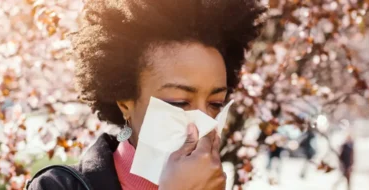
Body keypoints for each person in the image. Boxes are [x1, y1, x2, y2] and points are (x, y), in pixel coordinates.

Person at [26, 0, 265, 189]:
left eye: (215, 103)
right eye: (179, 102)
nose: (201, 122)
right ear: (125, 101)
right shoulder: (57, 186)